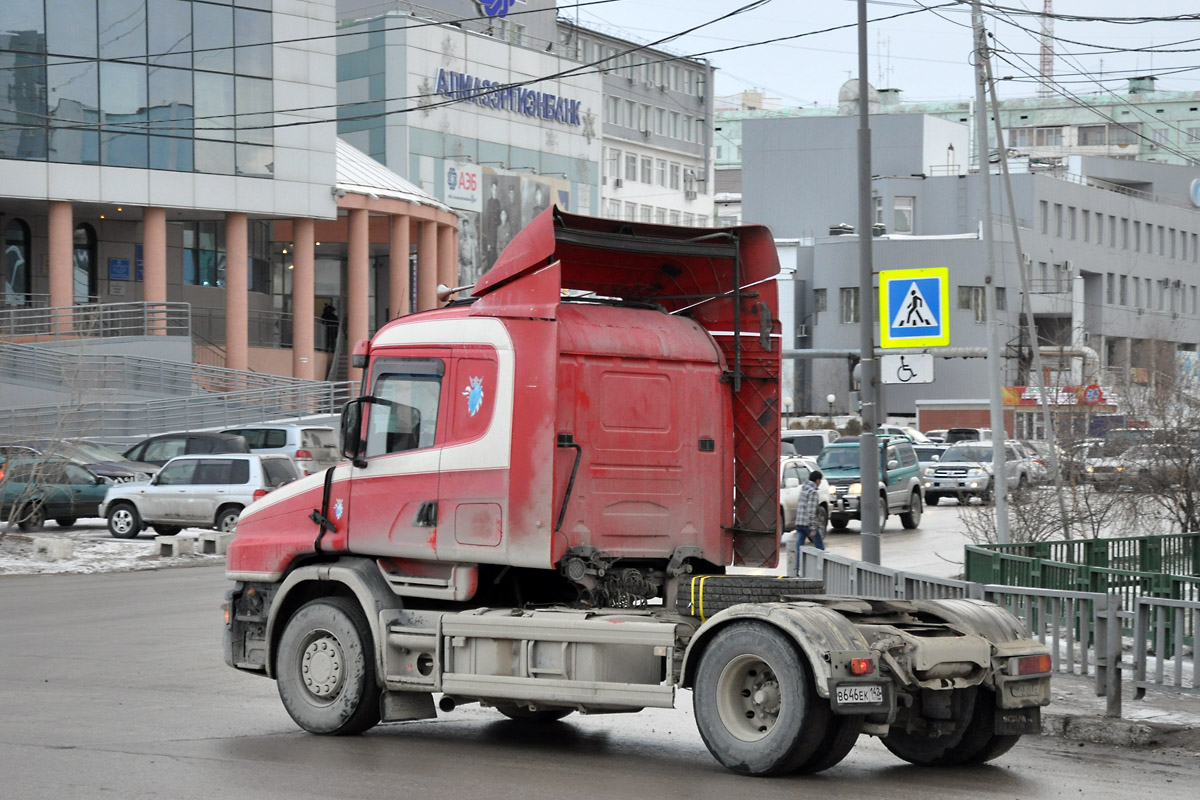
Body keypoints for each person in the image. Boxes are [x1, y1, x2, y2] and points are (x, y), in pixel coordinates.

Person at [794, 469, 825, 552]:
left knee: (799, 548)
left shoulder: (803, 489)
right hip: (808, 524)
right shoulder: (813, 492)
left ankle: (799, 564)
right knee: (820, 547)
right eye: (820, 481)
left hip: (799, 523)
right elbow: (811, 511)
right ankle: (821, 564)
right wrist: (813, 528)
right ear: (817, 480)